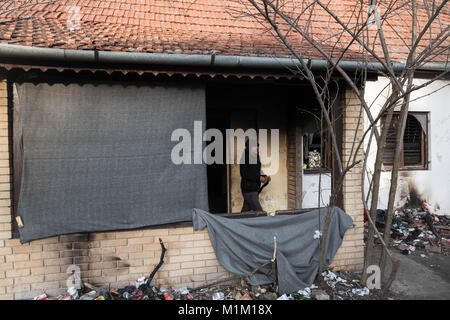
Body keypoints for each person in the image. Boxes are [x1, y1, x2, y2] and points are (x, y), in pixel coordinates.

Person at [240, 138, 271, 212]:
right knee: (260, 213)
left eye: (256, 146)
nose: (256, 148)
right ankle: (264, 223)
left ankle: (236, 222)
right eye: (254, 146)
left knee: (245, 212)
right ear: (249, 148)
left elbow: (258, 171)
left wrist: (264, 176)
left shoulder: (256, 157)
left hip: (254, 189)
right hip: (248, 190)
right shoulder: (244, 158)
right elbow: (244, 174)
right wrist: (259, 178)